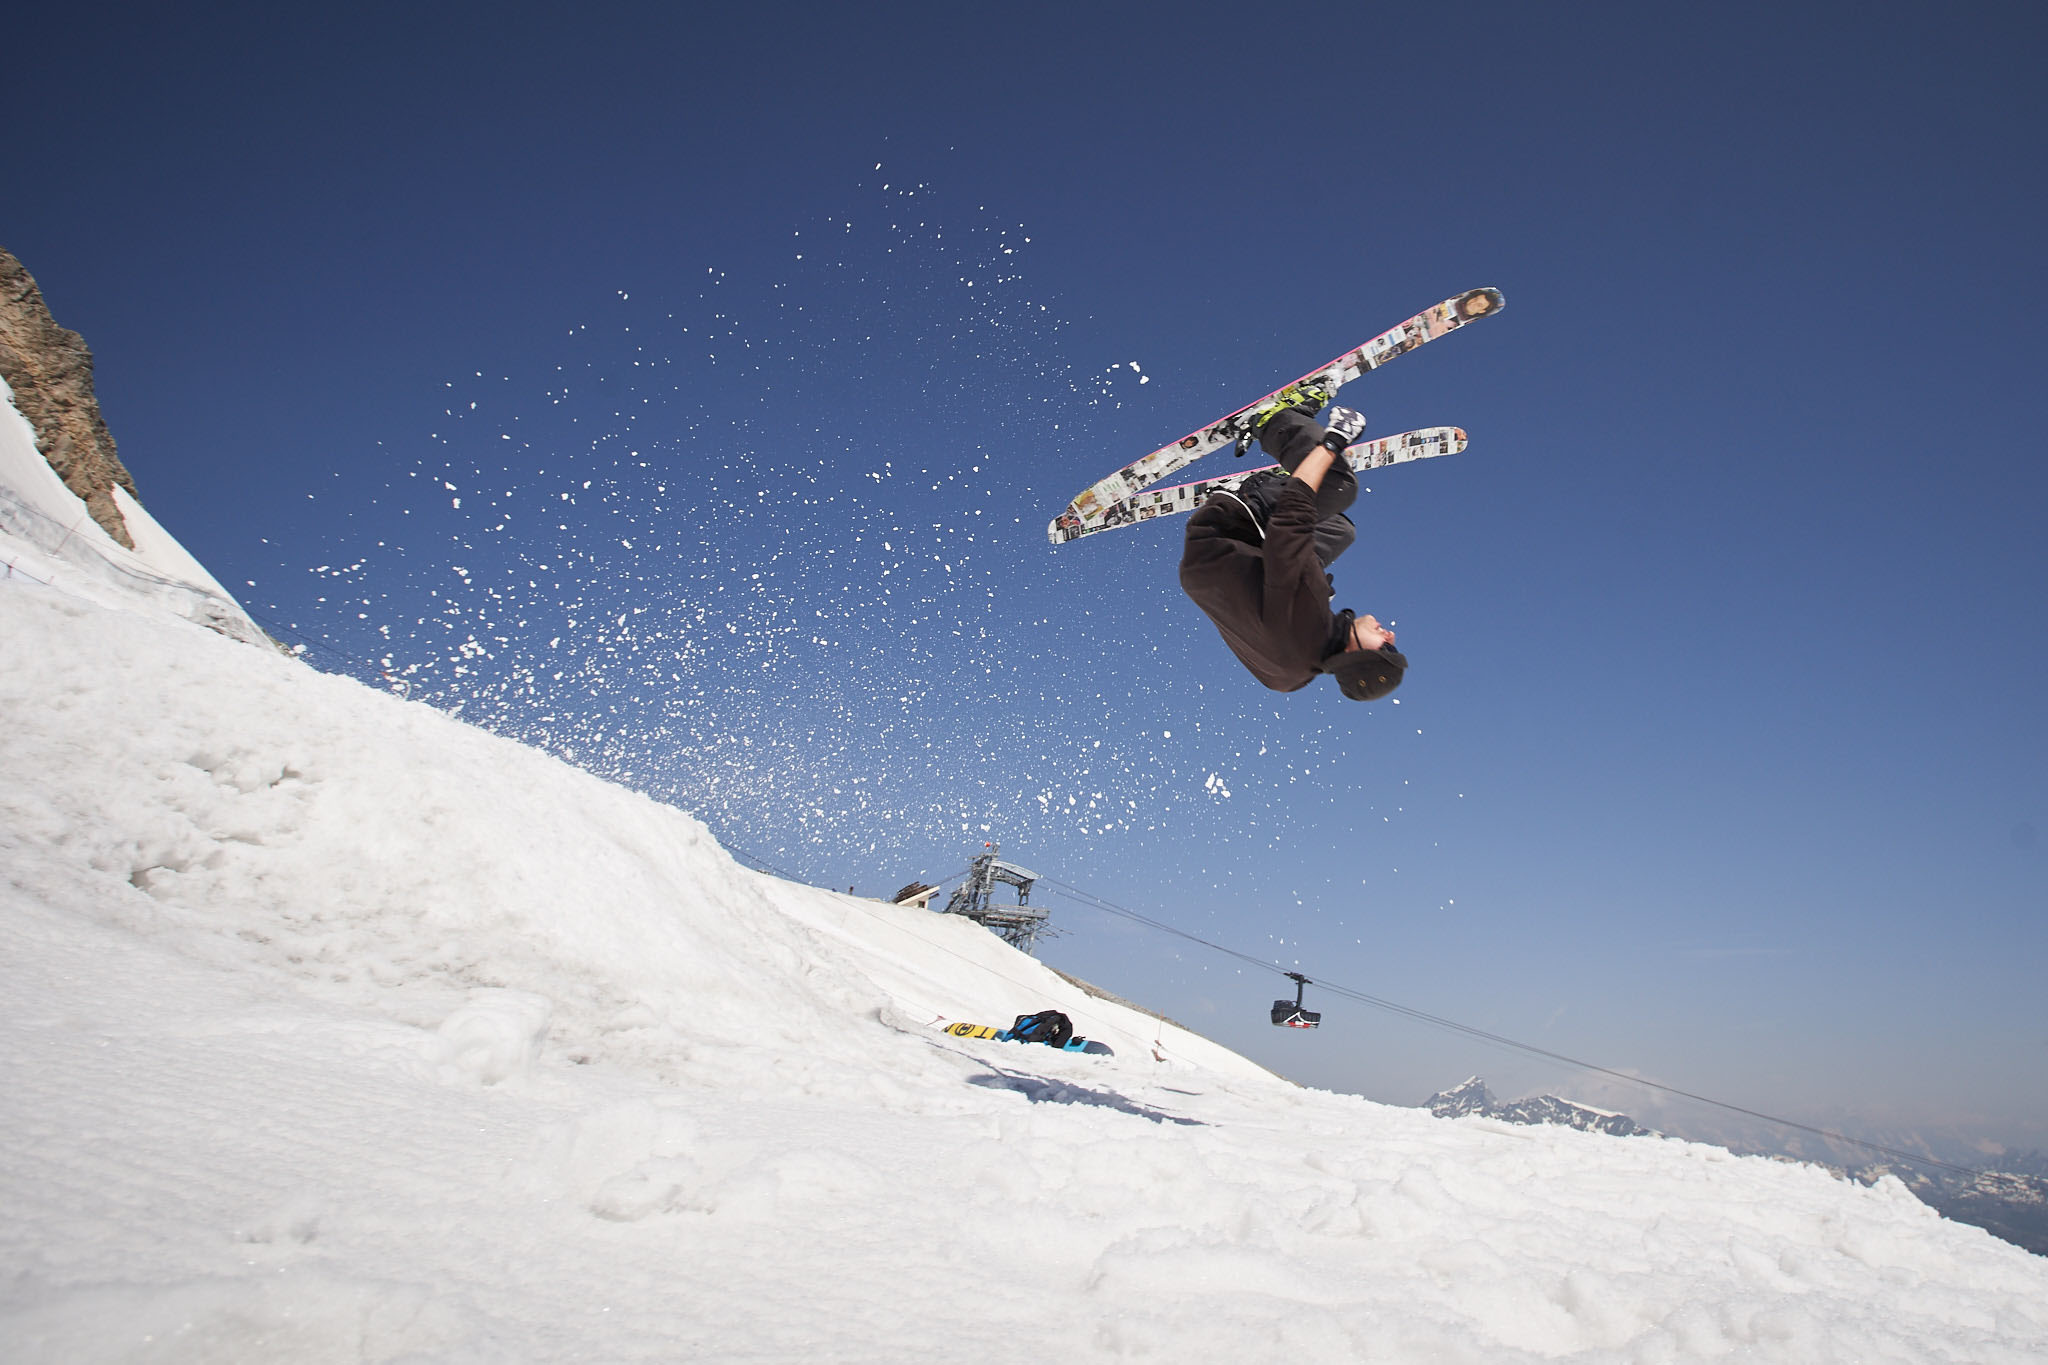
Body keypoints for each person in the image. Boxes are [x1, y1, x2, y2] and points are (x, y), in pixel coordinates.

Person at [1177, 386, 1407, 702]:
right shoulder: (1292, 678)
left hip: (1224, 532)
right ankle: (1293, 471)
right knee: (1340, 531)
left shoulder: (1307, 614)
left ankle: (1270, 421)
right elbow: (1272, 628)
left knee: (1338, 487)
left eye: (1387, 648)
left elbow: (1290, 523)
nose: (1390, 635)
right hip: (1208, 571)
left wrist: (1333, 442)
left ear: (1355, 656)